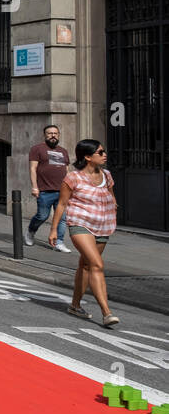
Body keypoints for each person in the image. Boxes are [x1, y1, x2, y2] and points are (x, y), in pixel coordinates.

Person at [51, 140, 120, 328]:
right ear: (88, 157)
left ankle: (75, 305)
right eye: (100, 152)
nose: (104, 154)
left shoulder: (107, 175)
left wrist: (113, 206)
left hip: (103, 225)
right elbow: (62, 204)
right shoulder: (73, 178)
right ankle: (107, 313)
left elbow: (111, 196)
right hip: (80, 224)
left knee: (86, 265)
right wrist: (54, 229)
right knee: (97, 264)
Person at [27, 124, 71, 253]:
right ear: (45, 135)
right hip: (45, 190)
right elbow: (33, 168)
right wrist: (34, 187)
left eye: (55, 133)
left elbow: (67, 170)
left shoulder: (63, 151)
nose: (53, 135)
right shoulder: (37, 149)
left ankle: (59, 242)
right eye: (50, 133)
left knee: (62, 218)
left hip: (62, 190)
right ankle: (30, 231)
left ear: (58, 135)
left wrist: (70, 187)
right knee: (42, 216)